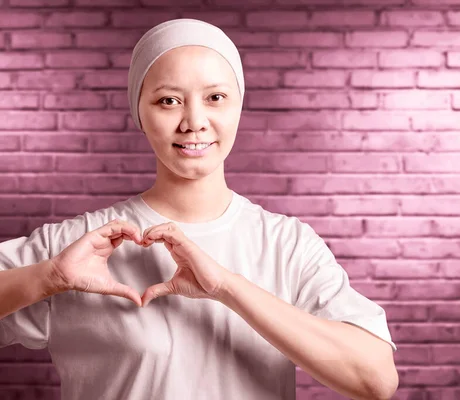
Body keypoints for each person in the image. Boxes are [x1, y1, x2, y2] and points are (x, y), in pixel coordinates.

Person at [0, 18, 398, 400]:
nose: (194, 121)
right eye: (168, 100)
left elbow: (376, 381)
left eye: (215, 98)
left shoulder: (287, 245)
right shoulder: (77, 246)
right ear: (140, 113)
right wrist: (46, 277)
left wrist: (226, 287)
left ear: (238, 106)